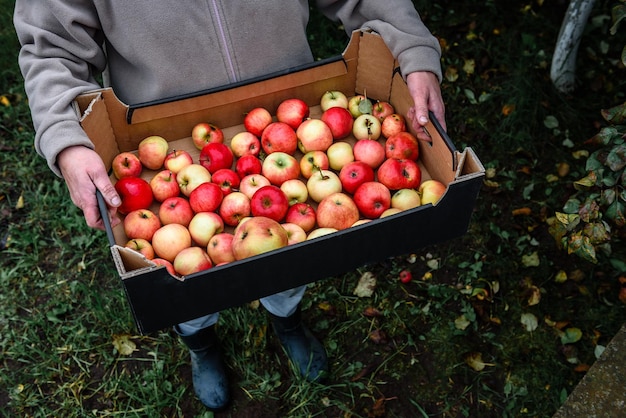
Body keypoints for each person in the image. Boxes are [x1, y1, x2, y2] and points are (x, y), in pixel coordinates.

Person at [14, 1, 446, 411]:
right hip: (160, 131)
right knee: (183, 276)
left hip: (284, 118)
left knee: (290, 249)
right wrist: (65, 137)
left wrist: (411, 46)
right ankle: (201, 342)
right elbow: (51, 43)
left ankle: (287, 317)